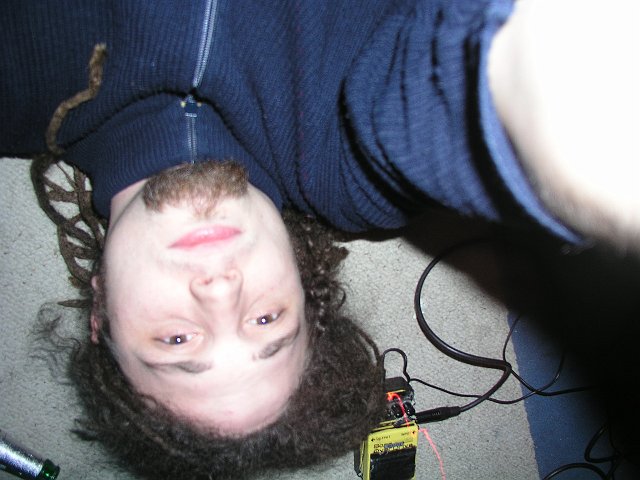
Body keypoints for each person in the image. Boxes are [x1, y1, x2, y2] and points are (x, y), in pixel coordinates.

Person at [2, 0, 637, 479]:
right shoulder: (355, 175)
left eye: (177, 340)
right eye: (266, 320)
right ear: (304, 293)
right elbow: (470, 105)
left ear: (101, 316)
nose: (220, 291)